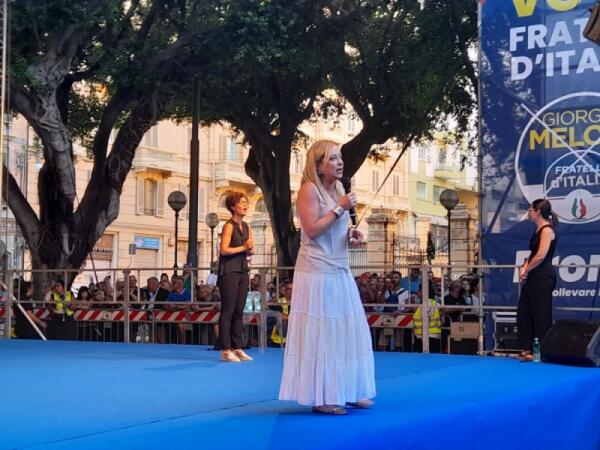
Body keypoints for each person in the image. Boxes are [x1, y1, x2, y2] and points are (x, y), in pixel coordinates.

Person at [279, 140, 375, 415]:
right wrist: (340, 208)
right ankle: (322, 396)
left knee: (348, 329)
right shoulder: (309, 190)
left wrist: (350, 234)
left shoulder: (340, 189)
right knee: (323, 334)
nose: (339, 162)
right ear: (318, 166)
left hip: (340, 268)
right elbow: (311, 229)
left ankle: (351, 389)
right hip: (317, 271)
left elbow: (332, 229)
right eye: (332, 158)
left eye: (339, 157)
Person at [517, 198, 558, 361]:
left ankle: (542, 351)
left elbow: (541, 255)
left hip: (543, 276)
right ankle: (527, 349)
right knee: (524, 312)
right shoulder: (537, 230)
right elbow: (533, 254)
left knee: (540, 313)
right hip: (533, 276)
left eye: (530, 210)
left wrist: (527, 269)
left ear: (538, 212)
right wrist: (524, 267)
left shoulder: (547, 230)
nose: (528, 212)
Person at [217, 191, 254, 363]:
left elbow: (250, 248)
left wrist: (250, 249)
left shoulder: (247, 226)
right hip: (229, 270)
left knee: (239, 310)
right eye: (242, 202)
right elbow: (224, 249)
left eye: (246, 202)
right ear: (233, 206)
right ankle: (225, 349)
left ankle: (238, 347)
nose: (245, 205)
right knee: (228, 310)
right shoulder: (228, 226)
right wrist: (244, 247)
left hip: (243, 269)